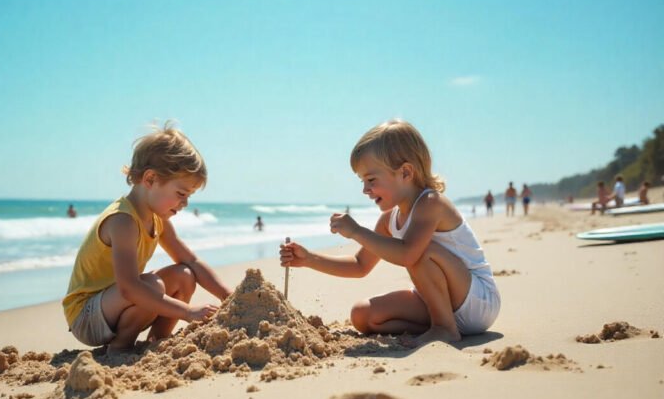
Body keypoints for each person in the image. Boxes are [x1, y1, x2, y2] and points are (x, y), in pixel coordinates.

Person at [279, 119, 500, 346]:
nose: (365, 189)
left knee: (420, 251)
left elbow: (407, 255)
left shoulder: (431, 203)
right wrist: (309, 259)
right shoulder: (388, 220)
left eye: (371, 180)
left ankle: (444, 329)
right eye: (362, 181)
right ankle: (440, 323)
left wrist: (356, 231)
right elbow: (359, 265)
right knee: (362, 315)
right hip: (438, 302)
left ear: (405, 173)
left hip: (477, 301)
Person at [62, 122, 232, 353]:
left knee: (184, 275)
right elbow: (129, 288)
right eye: (181, 193)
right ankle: (120, 347)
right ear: (150, 179)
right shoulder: (123, 220)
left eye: (189, 196)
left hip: (115, 306)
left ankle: (156, 342)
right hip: (86, 317)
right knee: (152, 284)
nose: (185, 203)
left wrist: (229, 297)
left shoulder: (158, 219)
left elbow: (191, 262)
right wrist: (187, 312)